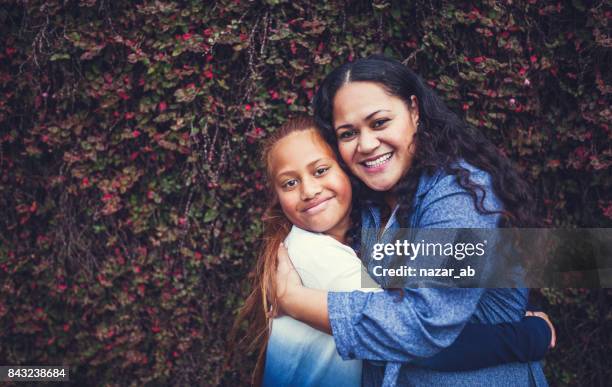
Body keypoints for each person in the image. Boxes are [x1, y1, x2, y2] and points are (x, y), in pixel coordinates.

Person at [274, 56, 551, 386]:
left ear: (414, 112)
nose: (366, 144)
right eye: (348, 133)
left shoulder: (458, 196)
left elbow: (422, 324)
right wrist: (523, 337)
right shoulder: (369, 202)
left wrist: (295, 301)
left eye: (379, 123)